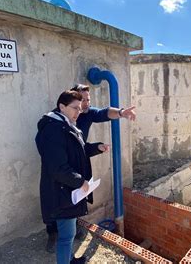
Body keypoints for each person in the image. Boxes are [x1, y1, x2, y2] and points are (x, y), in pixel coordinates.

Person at [44, 84, 137, 253]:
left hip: (76, 162)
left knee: (75, 197)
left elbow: (104, 112)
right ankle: (53, 233)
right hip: (61, 163)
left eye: (88, 100)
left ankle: (71, 227)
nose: (85, 104)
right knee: (57, 196)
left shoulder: (86, 114)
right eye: (82, 101)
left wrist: (122, 112)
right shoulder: (59, 120)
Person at [35, 90, 109, 264]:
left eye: (80, 107)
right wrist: (79, 181)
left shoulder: (67, 125)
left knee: (69, 233)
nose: (79, 111)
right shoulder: (54, 130)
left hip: (68, 189)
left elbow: (79, 151)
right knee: (67, 236)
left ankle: (70, 260)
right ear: (62, 106)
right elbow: (57, 168)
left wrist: (96, 148)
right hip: (61, 191)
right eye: (75, 107)